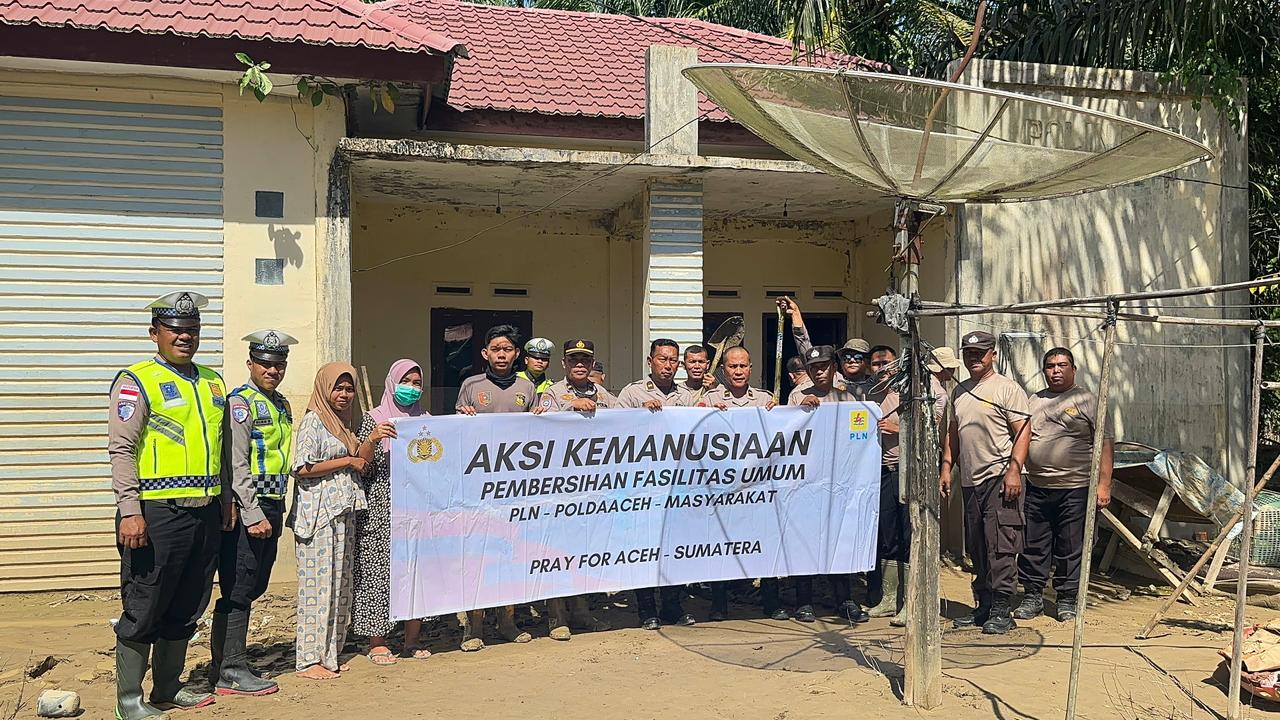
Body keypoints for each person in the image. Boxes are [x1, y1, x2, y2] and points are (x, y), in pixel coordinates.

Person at [108, 291, 229, 719]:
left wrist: (225, 501)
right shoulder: (136, 381)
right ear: (154, 333)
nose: (184, 336)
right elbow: (122, 449)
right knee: (145, 604)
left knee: (188, 603)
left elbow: (222, 448)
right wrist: (130, 510)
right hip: (156, 512)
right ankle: (129, 700)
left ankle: (167, 687)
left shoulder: (213, 382)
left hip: (204, 512)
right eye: (175, 329)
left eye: (192, 329)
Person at [209, 329, 299, 697]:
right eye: (264, 363)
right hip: (252, 507)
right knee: (240, 587)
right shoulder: (241, 403)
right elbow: (236, 462)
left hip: (273, 503)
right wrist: (250, 511)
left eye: (278, 364)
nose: (272, 370)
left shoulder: (281, 404)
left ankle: (226, 663)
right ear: (250, 364)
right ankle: (230, 670)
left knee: (256, 584)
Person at [289, 362, 390, 679]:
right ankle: (309, 660)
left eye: (349, 389)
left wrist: (371, 439)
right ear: (324, 389)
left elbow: (362, 459)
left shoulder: (343, 425)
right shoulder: (314, 421)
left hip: (343, 512)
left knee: (338, 587)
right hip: (319, 515)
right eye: (338, 388)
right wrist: (346, 460)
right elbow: (301, 467)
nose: (344, 395)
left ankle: (329, 654)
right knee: (318, 589)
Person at [1013, 348, 1114, 623]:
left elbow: (1105, 443)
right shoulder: (1034, 400)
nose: (1055, 370)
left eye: (1062, 365)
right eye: (1050, 366)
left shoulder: (1088, 400)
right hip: (1037, 486)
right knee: (1034, 544)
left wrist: (1104, 485)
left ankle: (1067, 599)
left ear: (1073, 369)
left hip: (1075, 487)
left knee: (1071, 546)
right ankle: (1032, 595)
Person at [940, 331, 1031, 635]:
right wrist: (946, 468)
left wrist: (1014, 471)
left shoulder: (1007, 389)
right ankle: (984, 605)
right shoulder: (960, 391)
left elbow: (1023, 431)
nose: (974, 358)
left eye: (980, 353)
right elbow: (953, 433)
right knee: (978, 546)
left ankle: (1003, 609)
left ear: (993, 354)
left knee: (1001, 546)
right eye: (968, 353)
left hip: (1000, 478)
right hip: (970, 480)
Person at [455, 325, 539, 649]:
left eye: (507, 349)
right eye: (496, 349)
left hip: (515, 488)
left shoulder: (526, 387)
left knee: (510, 554)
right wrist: (463, 416)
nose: (501, 355)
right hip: (479, 488)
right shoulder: (471, 386)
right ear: (485, 353)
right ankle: (474, 626)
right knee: (478, 555)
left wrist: (540, 419)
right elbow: (457, 432)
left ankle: (507, 621)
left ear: (517, 354)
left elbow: (537, 437)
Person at [532, 339, 615, 639]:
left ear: (592, 364)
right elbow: (540, 425)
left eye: (585, 360)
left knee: (582, 551)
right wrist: (570, 407)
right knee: (557, 552)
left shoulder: (603, 394)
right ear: (564, 363)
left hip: (592, 487)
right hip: (560, 486)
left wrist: (645, 409)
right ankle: (557, 617)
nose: (580, 364)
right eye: (573, 359)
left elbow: (627, 420)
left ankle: (581, 612)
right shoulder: (552, 393)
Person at [352, 359, 429, 664]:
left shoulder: (426, 420)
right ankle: (377, 641)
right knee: (378, 570)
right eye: (405, 381)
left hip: (416, 506)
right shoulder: (374, 419)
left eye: (416, 383)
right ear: (391, 383)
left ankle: (412, 639)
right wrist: (373, 438)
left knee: (415, 570)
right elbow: (362, 464)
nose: (411, 388)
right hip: (381, 505)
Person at [618, 339, 697, 628]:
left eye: (673, 360)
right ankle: (647, 609)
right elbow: (614, 429)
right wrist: (638, 414)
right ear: (650, 361)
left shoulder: (686, 396)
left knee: (674, 548)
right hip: (642, 483)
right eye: (662, 359)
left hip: (677, 485)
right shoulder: (632, 392)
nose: (668, 365)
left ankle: (673, 606)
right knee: (644, 548)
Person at [704, 346, 787, 621]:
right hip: (722, 488)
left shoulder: (766, 399)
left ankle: (771, 602)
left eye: (743, 366)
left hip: (758, 488)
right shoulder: (709, 398)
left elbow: (784, 433)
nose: (738, 371)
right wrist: (705, 414)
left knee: (766, 542)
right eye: (732, 367)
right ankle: (719, 605)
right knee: (720, 546)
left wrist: (779, 413)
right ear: (723, 370)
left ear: (750, 368)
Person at [787, 346, 865, 623]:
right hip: (805, 481)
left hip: (839, 481)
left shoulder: (848, 397)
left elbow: (858, 434)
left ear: (834, 367)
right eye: (814, 368)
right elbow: (786, 431)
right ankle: (804, 601)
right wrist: (800, 410)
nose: (819, 371)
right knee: (804, 541)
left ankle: (844, 599)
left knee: (839, 541)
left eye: (824, 366)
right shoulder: (797, 396)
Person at [863, 345, 908, 627]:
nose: (881, 369)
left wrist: (899, 429)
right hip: (879, 472)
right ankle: (889, 599)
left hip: (906, 471)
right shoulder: (867, 396)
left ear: (897, 364)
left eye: (886, 363)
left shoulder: (911, 392)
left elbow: (934, 429)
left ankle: (909, 602)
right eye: (876, 364)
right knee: (887, 536)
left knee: (908, 536)